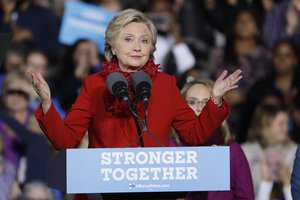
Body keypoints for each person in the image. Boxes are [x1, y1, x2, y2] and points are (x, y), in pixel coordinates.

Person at [27, 8, 241, 198]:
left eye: (144, 41)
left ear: (151, 48)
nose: (137, 47)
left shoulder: (165, 85)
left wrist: (216, 98)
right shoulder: (94, 85)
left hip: (156, 191)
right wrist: (47, 103)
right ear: (112, 45)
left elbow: (194, 134)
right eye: (128, 39)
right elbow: (65, 140)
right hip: (103, 192)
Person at [170, 80, 254, 200]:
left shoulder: (231, 151)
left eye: (206, 103)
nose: (199, 108)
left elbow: (246, 197)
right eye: (192, 102)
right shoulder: (168, 149)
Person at [242, 105, 297, 200]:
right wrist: (265, 182)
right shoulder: (246, 151)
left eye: (287, 124)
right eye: (281, 124)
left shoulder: (295, 151)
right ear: (266, 124)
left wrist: (287, 182)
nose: (286, 129)